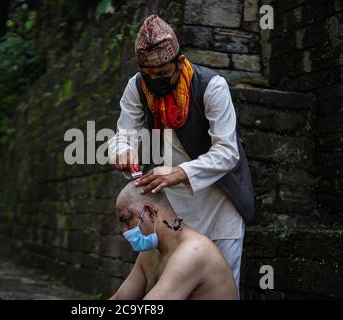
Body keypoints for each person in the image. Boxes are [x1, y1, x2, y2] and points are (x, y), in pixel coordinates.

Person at [108, 14, 255, 295]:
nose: (156, 82)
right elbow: (124, 133)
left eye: (162, 74)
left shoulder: (212, 86)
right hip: (172, 206)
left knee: (221, 283)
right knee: (170, 280)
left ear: (179, 61)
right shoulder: (137, 87)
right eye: (149, 76)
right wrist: (123, 151)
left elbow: (227, 152)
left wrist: (180, 172)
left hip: (218, 202)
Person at [109, 182, 238, 300]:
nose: (124, 231)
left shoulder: (194, 252)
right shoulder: (149, 254)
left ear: (151, 212)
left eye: (126, 219)